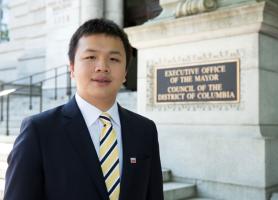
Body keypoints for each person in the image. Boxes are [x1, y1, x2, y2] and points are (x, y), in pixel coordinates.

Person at [4, 18, 164, 200]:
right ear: (72, 68)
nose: (102, 67)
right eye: (90, 57)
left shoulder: (145, 130)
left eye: (114, 59)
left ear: (126, 72)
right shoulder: (39, 131)